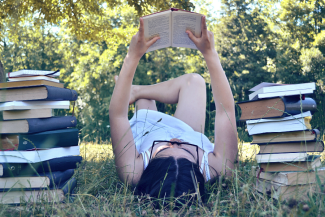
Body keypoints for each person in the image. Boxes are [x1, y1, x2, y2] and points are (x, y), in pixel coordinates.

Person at [109, 16, 238, 204]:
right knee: (195, 81)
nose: (175, 142)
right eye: (184, 150)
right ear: (200, 171)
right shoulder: (219, 168)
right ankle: (136, 91)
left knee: (145, 102)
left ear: (149, 168)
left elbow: (118, 115)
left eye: (168, 148)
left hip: (148, 131)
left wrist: (133, 56)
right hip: (189, 131)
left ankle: (138, 93)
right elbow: (225, 111)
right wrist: (210, 53)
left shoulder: (132, 172)